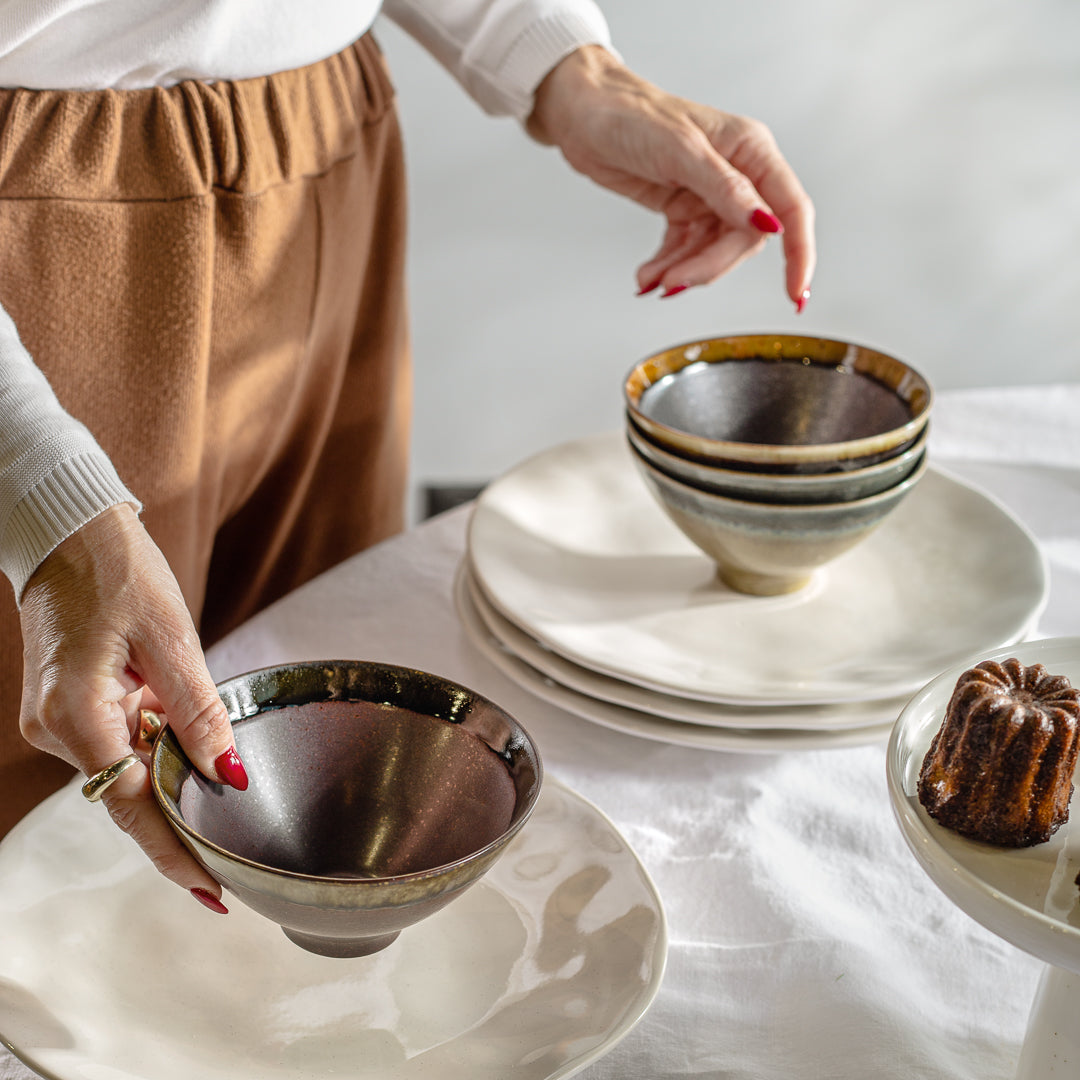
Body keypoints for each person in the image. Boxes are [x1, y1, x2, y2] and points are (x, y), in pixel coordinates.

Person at [0, 1, 815, 914]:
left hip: (326, 153)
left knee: (316, 772)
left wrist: (555, 57)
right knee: (53, 824)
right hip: (36, 212)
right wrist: (40, 492)